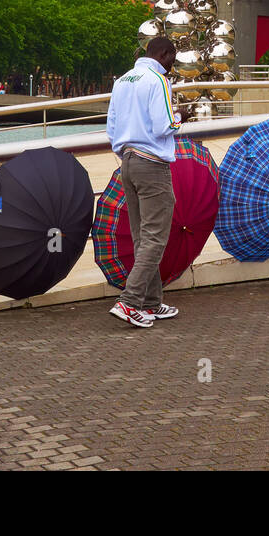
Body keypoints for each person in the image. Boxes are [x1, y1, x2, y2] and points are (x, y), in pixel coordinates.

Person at [105, 36, 184, 328]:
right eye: (172, 58)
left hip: (127, 161)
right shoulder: (158, 80)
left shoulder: (123, 80)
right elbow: (164, 125)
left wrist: (125, 150)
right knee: (155, 237)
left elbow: (111, 126)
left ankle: (151, 303)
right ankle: (129, 302)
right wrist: (181, 116)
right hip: (152, 164)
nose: (172, 65)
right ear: (164, 54)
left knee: (141, 236)